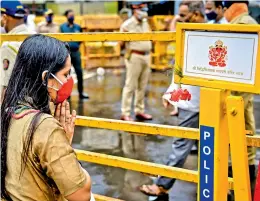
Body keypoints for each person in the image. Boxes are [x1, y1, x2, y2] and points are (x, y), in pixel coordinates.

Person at [1, 34, 95, 201]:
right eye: (66, 74)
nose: (68, 80)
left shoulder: (8, 111)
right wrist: (63, 143)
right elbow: (81, 194)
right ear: (46, 78)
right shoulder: (45, 127)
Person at [140, 1, 205, 199]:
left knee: (181, 144)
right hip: (200, 98)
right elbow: (180, 68)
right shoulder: (200, 33)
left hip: (195, 101)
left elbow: (181, 69)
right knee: (205, 143)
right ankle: (219, 183)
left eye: (183, 15)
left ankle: (162, 185)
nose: (180, 18)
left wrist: (172, 93)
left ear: (193, 15)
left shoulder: (196, 36)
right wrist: (171, 93)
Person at [223, 1, 257, 199]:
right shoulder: (243, 22)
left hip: (238, 94)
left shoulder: (243, 24)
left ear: (232, 7)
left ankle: (240, 184)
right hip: (237, 91)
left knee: (240, 127)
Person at [120, 2, 153, 121]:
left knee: (142, 86)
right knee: (130, 85)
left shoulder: (145, 22)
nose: (144, 11)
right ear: (135, 9)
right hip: (135, 56)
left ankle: (140, 110)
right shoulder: (127, 25)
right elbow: (121, 43)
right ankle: (125, 113)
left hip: (147, 56)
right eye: (142, 9)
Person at [0, 0, 32, 102]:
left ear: (4, 18)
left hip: (18, 107)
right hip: (36, 103)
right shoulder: (35, 36)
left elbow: (6, 86)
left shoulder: (8, 46)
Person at [60, 9, 89, 100]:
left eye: (73, 15)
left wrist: (75, 45)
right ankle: (66, 95)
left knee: (79, 72)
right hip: (66, 53)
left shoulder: (78, 27)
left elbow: (80, 40)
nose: (72, 17)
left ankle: (81, 93)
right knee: (66, 74)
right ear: (66, 16)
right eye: (70, 15)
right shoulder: (62, 27)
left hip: (76, 52)